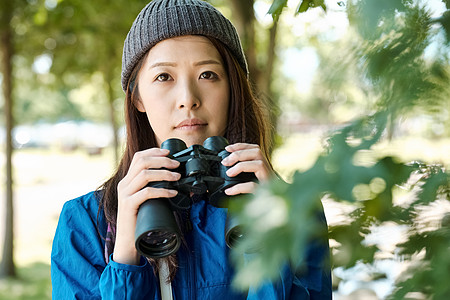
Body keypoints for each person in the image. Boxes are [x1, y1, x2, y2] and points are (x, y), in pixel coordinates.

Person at [51, 0, 332, 299]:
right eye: (163, 77)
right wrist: (124, 255)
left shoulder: (299, 213)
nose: (188, 98)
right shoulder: (83, 224)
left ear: (232, 88)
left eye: (208, 74)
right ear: (137, 98)